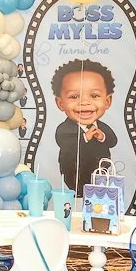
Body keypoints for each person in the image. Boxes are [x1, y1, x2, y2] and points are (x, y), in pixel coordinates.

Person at [51, 60, 116, 191]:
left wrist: (102, 136)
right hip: (74, 173)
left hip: (101, 173)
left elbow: (113, 141)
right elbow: (65, 144)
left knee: (100, 192)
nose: (84, 102)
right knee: (78, 191)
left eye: (94, 95)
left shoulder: (102, 127)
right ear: (60, 103)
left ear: (107, 101)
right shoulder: (64, 129)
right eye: (74, 96)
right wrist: (85, 137)